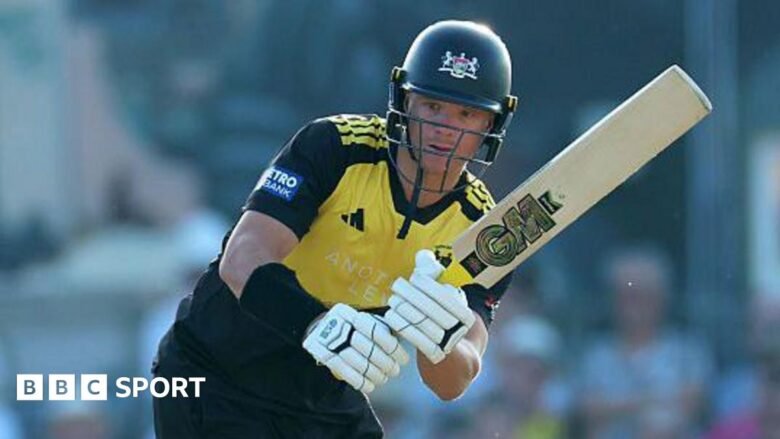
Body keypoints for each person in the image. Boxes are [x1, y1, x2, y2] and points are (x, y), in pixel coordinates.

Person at [152, 20, 518, 438]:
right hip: (217, 371)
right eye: (432, 106)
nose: (444, 129)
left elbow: (452, 382)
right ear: (406, 101)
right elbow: (241, 259)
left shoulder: (484, 230)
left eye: (466, 114)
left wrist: (444, 341)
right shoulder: (335, 147)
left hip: (322, 399)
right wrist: (316, 323)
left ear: (490, 125)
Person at [577, 246, 713, 439]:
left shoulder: (687, 351)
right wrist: (654, 401)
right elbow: (587, 409)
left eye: (640, 295)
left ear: (661, 298)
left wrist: (616, 408)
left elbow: (693, 404)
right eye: (623, 295)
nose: (631, 306)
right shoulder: (595, 355)